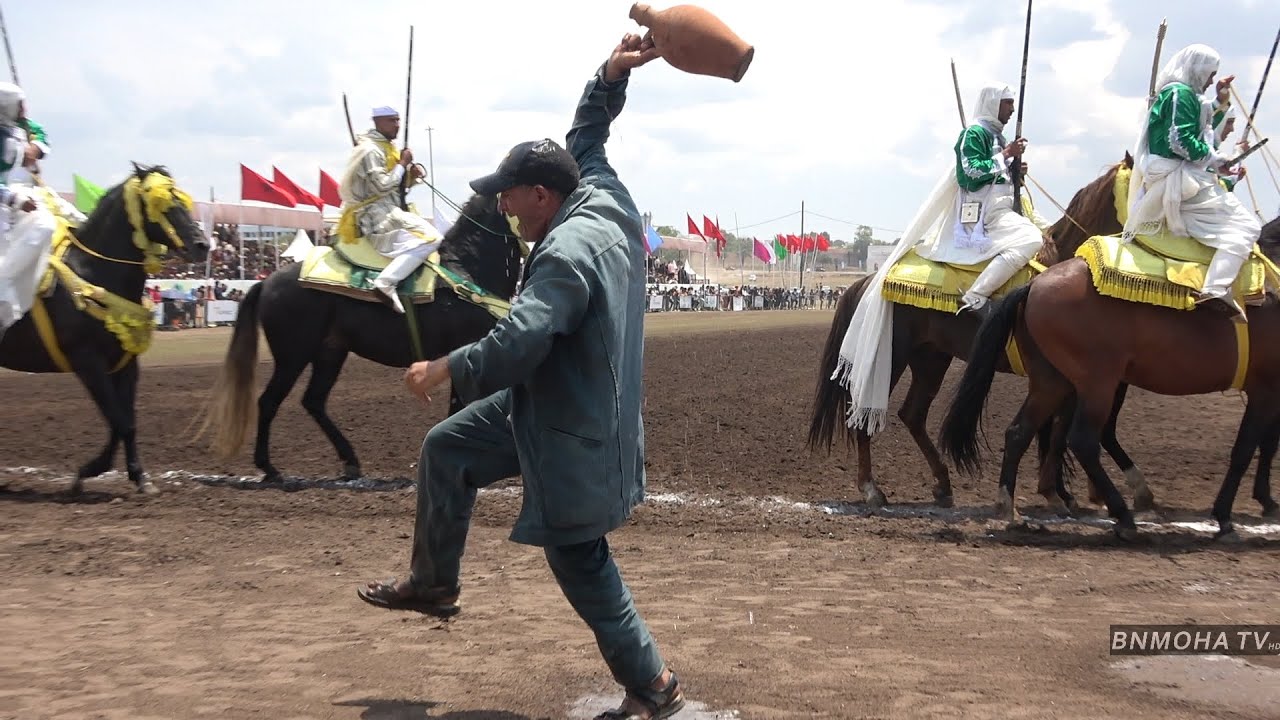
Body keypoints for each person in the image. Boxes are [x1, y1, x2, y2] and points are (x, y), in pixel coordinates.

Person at [356, 34, 685, 720]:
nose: (502, 208)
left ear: (541, 195)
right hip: (562, 404)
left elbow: (519, 341)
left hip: (576, 426)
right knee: (448, 447)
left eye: (507, 197)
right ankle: (434, 583)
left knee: (576, 554)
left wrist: (446, 366)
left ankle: (653, 684)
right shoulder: (603, 194)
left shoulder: (563, 254)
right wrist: (610, 75)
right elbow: (586, 137)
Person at [1123, 44, 1258, 320]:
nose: (1210, 81)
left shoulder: (1180, 93)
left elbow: (1199, 121)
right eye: (1210, 74)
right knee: (1248, 227)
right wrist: (1215, 159)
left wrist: (1220, 101)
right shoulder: (1179, 93)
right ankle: (1215, 288)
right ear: (1197, 69)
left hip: (1183, 175)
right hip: (1179, 178)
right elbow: (1180, 140)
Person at [914, 83, 1043, 315]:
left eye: (1013, 104)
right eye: (1008, 103)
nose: (1012, 110)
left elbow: (998, 176)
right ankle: (976, 296)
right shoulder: (973, 133)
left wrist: (1015, 170)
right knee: (1031, 238)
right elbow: (971, 172)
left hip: (1003, 208)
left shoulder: (998, 136)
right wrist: (1006, 154)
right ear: (993, 104)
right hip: (985, 213)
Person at [336, 105, 441, 313]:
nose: (397, 125)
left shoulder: (385, 147)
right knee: (433, 238)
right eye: (391, 120)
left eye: (398, 120)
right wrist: (402, 164)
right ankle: (386, 282)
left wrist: (411, 177)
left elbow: (394, 188)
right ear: (377, 122)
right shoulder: (370, 150)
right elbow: (382, 186)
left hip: (389, 208)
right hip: (376, 216)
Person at [0, 81, 57, 339]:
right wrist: (15, 199)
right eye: (20, 104)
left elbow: (40, 133)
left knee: (52, 224)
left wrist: (37, 149)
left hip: (26, 194)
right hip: (9, 200)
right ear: (8, 106)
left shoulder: (20, 126)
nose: (25, 109)